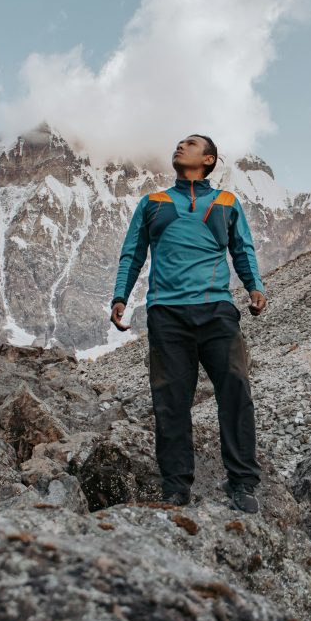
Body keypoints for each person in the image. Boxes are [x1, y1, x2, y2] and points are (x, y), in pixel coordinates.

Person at [110, 134, 267, 514]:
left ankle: (242, 482)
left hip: (217, 311)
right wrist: (120, 297)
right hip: (167, 314)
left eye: (191, 143)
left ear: (209, 159)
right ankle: (176, 488)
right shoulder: (153, 202)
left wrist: (254, 287)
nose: (180, 146)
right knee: (170, 404)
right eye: (180, 142)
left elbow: (241, 249)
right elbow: (133, 253)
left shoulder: (227, 203)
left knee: (235, 392)